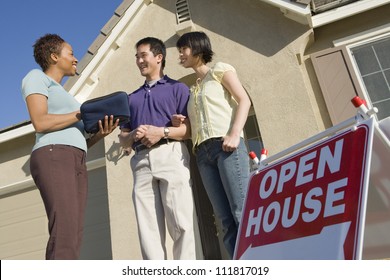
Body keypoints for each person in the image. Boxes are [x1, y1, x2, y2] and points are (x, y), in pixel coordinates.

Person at [21, 34, 119, 260]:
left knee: (74, 232)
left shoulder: (66, 96)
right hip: (54, 154)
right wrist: (81, 113)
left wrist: (100, 134)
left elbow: (77, 138)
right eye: (71, 53)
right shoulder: (36, 77)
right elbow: (40, 121)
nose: (76, 59)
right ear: (54, 56)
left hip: (75, 158)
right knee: (64, 230)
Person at [173, 31, 251, 259]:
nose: (180, 54)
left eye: (183, 49)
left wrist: (235, 133)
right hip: (203, 155)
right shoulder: (193, 89)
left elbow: (244, 100)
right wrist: (185, 121)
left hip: (226, 147)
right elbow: (202, 121)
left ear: (198, 48)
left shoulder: (220, 70)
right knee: (225, 220)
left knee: (241, 212)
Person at [118, 37, 196, 260]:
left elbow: (188, 131)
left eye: (143, 55)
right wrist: (133, 134)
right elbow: (123, 140)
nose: (139, 60)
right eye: (137, 57)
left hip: (171, 155)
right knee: (148, 231)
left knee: (181, 224)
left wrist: (160, 131)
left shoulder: (178, 89)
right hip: (141, 162)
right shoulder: (130, 99)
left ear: (159, 57)